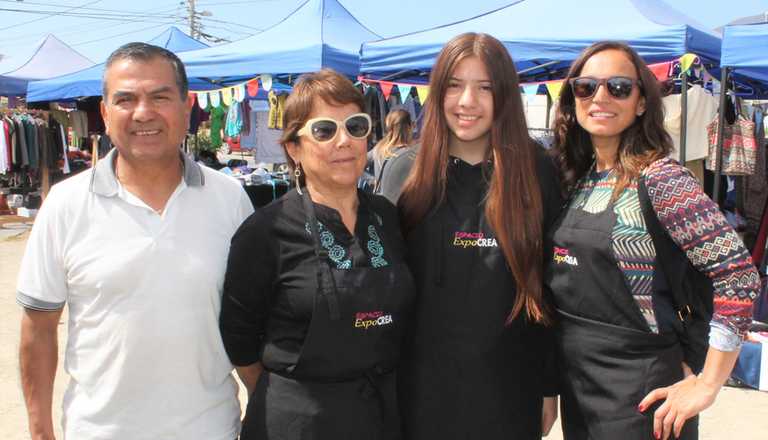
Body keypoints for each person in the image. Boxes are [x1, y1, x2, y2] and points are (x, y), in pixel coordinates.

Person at [16, 43, 254, 440]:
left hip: (210, 430)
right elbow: (38, 329)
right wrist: (40, 432)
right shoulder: (66, 204)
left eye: (160, 97)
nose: (143, 113)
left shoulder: (229, 200)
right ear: (106, 113)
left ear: (185, 106)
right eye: (125, 99)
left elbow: (251, 323)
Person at [545, 41, 760, 440]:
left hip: (642, 395)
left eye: (619, 87)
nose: (600, 97)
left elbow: (738, 276)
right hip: (580, 385)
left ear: (642, 102)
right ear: (572, 98)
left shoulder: (661, 179)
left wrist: (707, 383)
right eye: (586, 87)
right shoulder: (576, 178)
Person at [219, 68, 414, 440]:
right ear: (293, 147)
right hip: (298, 423)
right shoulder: (266, 232)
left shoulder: (389, 217)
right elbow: (240, 341)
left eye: (355, 127)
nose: (344, 141)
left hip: (381, 416)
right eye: (325, 130)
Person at [396, 32, 562, 439]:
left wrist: (548, 387)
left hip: (508, 393)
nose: (467, 101)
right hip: (417, 394)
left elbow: (552, 286)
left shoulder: (537, 171)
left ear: (504, 95)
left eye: (484, 87)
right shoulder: (404, 171)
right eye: (454, 85)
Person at [368, 108, 413, 192]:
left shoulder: (379, 148)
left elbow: (357, 163)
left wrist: (372, 180)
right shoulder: (409, 154)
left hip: (380, 201)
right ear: (408, 127)